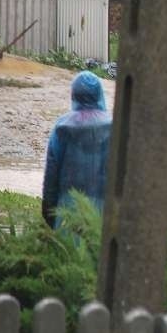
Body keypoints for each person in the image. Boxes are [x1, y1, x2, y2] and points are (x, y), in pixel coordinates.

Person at [42, 71, 112, 229]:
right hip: (104, 211)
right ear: (99, 94)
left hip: (68, 213)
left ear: (74, 94)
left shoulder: (61, 128)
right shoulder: (114, 127)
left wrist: (49, 212)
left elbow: (51, 176)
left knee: (68, 252)